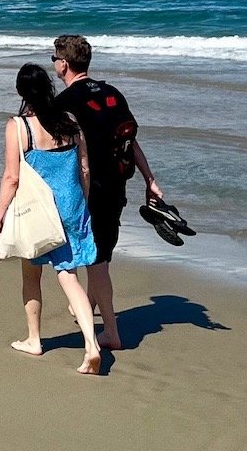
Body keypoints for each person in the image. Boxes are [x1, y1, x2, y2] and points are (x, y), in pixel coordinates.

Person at [50, 34, 164, 351]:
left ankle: (111, 333)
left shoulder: (65, 104)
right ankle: (85, 307)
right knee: (100, 257)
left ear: (63, 64)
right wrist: (150, 180)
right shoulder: (112, 93)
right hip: (117, 188)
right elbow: (130, 140)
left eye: (55, 60)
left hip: (89, 192)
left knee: (96, 261)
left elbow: (55, 154)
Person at [0, 63, 102, 374]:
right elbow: (84, 169)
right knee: (69, 275)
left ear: (20, 92)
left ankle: (35, 339)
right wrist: (84, 204)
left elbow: (11, 177)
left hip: (39, 212)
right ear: (49, 88)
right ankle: (89, 344)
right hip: (72, 206)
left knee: (32, 276)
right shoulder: (69, 123)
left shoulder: (18, 126)